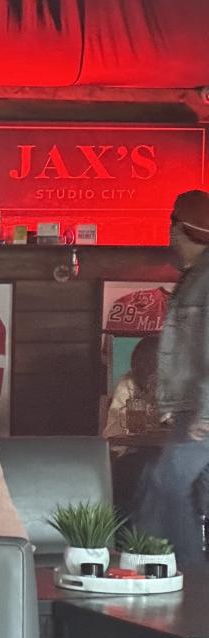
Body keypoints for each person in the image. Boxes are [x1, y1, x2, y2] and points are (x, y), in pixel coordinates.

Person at [136, 189, 209, 564]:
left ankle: (167, 570)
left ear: (182, 229)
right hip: (194, 409)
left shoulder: (204, 278)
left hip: (202, 411)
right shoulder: (195, 276)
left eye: (172, 227)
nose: (169, 237)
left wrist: (206, 412)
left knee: (164, 483)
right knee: (193, 495)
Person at [104, 334, 160, 520]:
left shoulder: (181, 386)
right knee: (146, 470)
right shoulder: (128, 385)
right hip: (130, 453)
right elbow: (125, 427)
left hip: (169, 453)